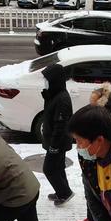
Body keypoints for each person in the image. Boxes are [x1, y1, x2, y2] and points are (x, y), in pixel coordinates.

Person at [75, 83, 111, 221]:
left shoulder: (104, 120)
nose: (91, 100)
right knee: (92, 192)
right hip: (90, 162)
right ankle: (92, 219)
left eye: (94, 98)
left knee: (97, 193)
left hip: (95, 163)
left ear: (102, 103)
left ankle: (100, 220)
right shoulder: (100, 115)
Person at [41, 63, 74, 206]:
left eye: (48, 80)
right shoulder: (56, 95)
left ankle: (65, 193)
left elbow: (61, 125)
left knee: (48, 169)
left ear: (55, 80)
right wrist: (47, 96)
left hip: (58, 142)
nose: (45, 82)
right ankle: (62, 192)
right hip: (56, 141)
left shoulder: (62, 99)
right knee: (58, 167)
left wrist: (54, 146)